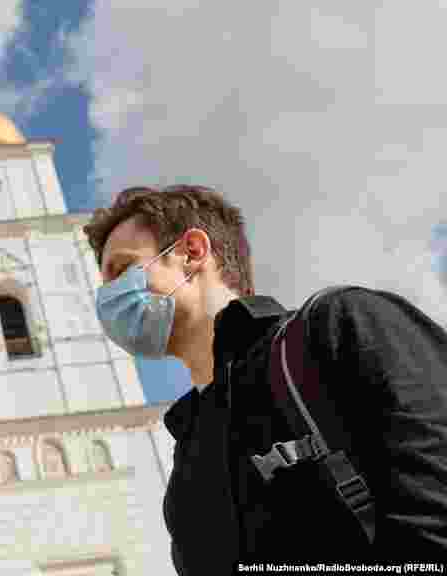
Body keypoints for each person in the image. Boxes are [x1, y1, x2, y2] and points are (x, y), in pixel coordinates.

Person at [83, 185, 447, 571]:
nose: (109, 298)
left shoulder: (338, 328)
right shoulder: (186, 468)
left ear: (192, 252)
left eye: (121, 270)